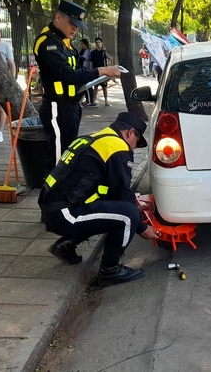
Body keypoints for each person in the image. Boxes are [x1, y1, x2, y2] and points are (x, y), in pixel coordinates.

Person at [39, 112, 160, 287]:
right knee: (128, 215)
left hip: (54, 209)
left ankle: (66, 245)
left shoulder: (96, 139)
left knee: (116, 211)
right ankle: (110, 272)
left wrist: (130, 201)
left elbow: (109, 190)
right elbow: (120, 192)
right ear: (130, 132)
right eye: (137, 142)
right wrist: (142, 228)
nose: (134, 147)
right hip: (65, 214)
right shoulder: (118, 147)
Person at [33, 0, 122, 175]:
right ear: (58, 17)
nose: (75, 29)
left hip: (71, 106)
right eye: (72, 23)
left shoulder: (63, 41)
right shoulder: (47, 42)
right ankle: (52, 198)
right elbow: (67, 75)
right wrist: (102, 70)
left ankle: (62, 195)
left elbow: (78, 71)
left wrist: (100, 75)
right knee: (58, 160)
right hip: (57, 107)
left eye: (77, 25)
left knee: (67, 156)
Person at [88, 37, 113, 107]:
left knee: (104, 87)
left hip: (104, 71)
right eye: (96, 43)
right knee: (95, 86)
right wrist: (91, 71)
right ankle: (94, 101)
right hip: (96, 71)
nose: (98, 44)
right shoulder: (93, 52)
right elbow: (91, 62)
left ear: (102, 43)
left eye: (99, 42)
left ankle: (106, 101)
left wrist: (105, 51)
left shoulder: (104, 52)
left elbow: (110, 58)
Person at [78, 38, 94, 107]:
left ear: (86, 44)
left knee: (88, 86)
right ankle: (85, 100)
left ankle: (90, 101)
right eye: (80, 44)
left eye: (82, 44)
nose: (81, 45)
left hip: (87, 70)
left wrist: (90, 70)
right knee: (83, 86)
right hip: (81, 70)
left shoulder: (90, 51)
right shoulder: (81, 52)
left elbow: (91, 61)